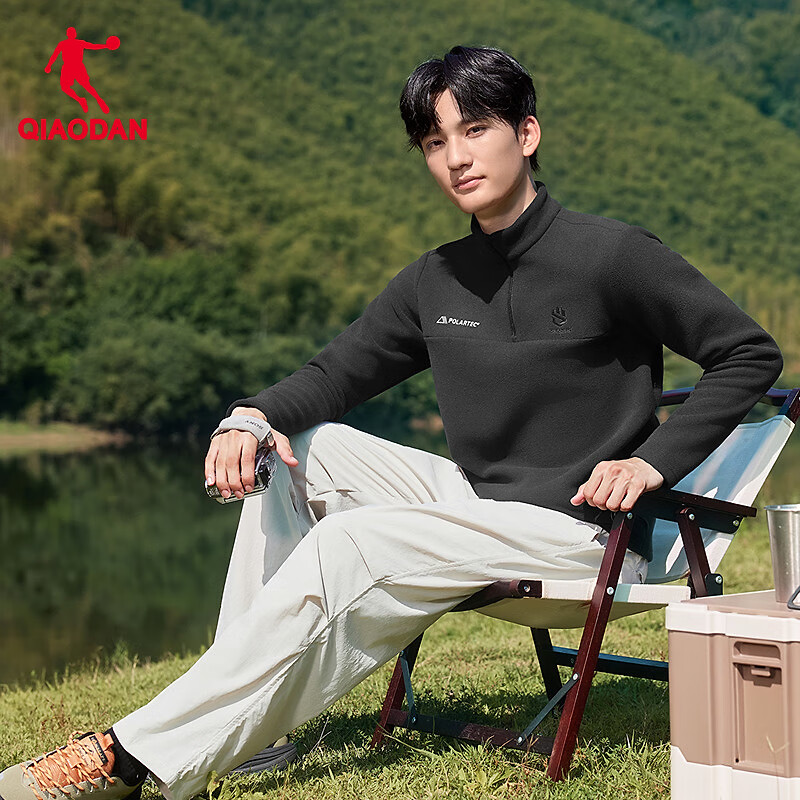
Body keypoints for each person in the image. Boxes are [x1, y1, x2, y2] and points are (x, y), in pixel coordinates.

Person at [0, 45, 782, 800]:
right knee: (305, 447)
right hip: (478, 508)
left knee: (353, 540)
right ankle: (255, 736)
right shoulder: (436, 278)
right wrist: (248, 418)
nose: (456, 158)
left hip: (583, 532)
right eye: (435, 142)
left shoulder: (613, 256)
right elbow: (334, 375)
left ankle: (134, 755)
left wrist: (650, 463)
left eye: (475, 129)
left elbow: (748, 354)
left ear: (527, 134)